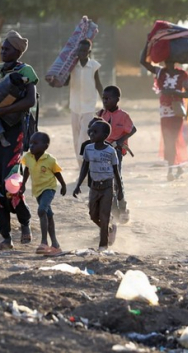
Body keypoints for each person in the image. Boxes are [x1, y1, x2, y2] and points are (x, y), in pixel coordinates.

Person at [0, 30, 38, 250]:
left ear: (18, 51)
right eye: (2, 48)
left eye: (7, 48)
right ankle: (5, 236)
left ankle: (24, 223)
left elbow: (30, 101)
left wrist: (1, 112)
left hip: (14, 132)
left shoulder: (26, 71)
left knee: (11, 183)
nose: (3, 51)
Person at [139, 45, 188, 181]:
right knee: (168, 139)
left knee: (173, 138)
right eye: (166, 60)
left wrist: (176, 92)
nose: (168, 62)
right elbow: (143, 62)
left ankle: (172, 168)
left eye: (170, 60)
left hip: (176, 110)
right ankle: (176, 166)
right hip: (164, 111)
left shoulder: (182, 74)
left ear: (174, 60)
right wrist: (148, 43)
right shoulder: (160, 72)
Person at [73, 120, 124, 251]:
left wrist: (119, 190)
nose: (91, 133)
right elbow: (85, 167)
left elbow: (116, 171)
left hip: (107, 187)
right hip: (94, 187)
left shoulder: (110, 151)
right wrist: (78, 184)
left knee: (104, 216)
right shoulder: (88, 148)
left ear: (105, 134)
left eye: (95, 132)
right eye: (90, 131)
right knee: (93, 215)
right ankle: (108, 228)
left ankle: (103, 246)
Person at [20, 132, 67, 256]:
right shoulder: (28, 157)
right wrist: (23, 184)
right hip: (37, 190)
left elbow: (57, 173)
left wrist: (63, 185)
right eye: (30, 143)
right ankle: (55, 244)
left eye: (35, 143)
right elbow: (27, 170)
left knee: (41, 211)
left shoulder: (50, 160)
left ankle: (44, 242)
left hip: (49, 188)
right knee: (48, 215)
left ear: (45, 146)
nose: (31, 146)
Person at [97, 86, 137, 223]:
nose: (105, 100)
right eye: (103, 98)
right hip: (102, 151)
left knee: (116, 179)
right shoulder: (101, 115)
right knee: (105, 180)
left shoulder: (123, 116)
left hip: (116, 152)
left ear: (117, 99)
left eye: (108, 98)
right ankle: (113, 209)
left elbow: (133, 129)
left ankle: (122, 207)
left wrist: (120, 141)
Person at [67, 39, 103, 167]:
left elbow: (98, 84)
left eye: (84, 51)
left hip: (88, 106)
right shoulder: (72, 66)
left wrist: (105, 100)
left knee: (84, 135)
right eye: (80, 50)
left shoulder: (93, 66)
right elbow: (65, 82)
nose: (82, 53)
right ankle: (80, 164)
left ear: (89, 52)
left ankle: (84, 163)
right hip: (75, 106)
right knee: (76, 136)